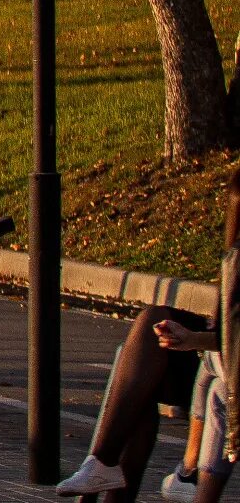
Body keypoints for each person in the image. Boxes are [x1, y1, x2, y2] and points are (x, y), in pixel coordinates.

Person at [55, 169, 240, 497]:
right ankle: (102, 463)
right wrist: (196, 337)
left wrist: (197, 340)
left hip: (227, 371)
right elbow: (227, 326)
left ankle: (117, 468)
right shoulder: (235, 258)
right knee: (147, 334)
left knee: (149, 376)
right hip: (220, 358)